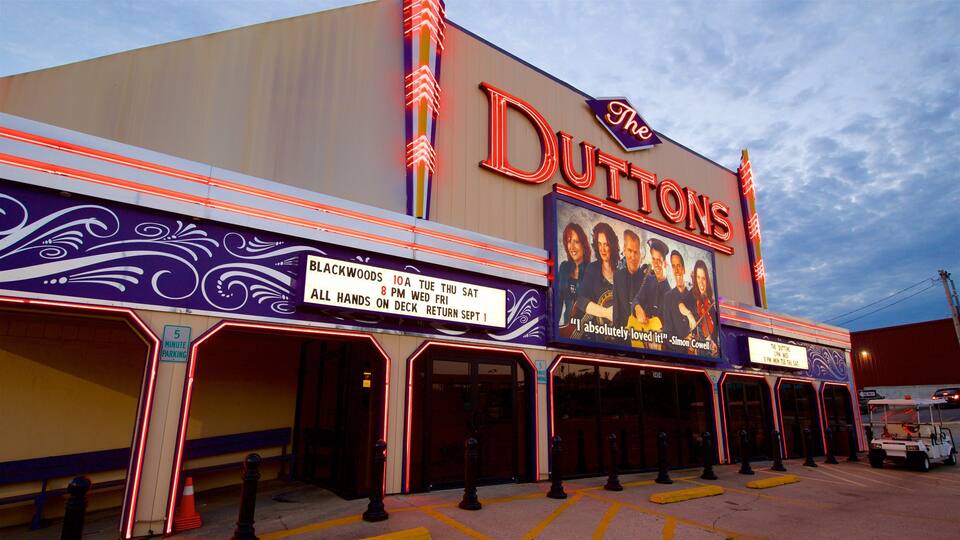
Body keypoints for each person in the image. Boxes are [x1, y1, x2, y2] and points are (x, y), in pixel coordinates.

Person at [576, 222, 618, 324]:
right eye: (599, 244)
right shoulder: (592, 269)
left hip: (619, 332)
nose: (602, 249)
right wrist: (606, 313)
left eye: (606, 244)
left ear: (612, 245)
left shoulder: (621, 272)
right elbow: (581, 300)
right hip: (595, 331)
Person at [630, 238, 670, 327]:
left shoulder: (670, 294)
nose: (655, 264)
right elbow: (636, 300)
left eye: (659, 260)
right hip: (641, 332)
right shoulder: (649, 280)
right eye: (653, 259)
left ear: (665, 263)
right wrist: (637, 308)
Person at [612, 229, 648, 327]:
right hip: (622, 334)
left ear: (640, 255)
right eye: (629, 250)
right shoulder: (617, 277)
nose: (633, 256)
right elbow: (616, 313)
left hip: (642, 334)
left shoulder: (648, 279)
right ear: (624, 250)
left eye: (636, 252)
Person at [662, 250, 697, 351]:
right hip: (674, 354)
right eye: (673, 266)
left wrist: (695, 341)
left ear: (684, 269)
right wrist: (683, 342)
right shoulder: (668, 297)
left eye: (679, 266)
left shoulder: (693, 297)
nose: (676, 270)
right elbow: (667, 334)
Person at [557, 222, 590, 325]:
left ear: (583, 245)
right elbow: (558, 301)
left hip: (587, 329)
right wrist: (554, 329)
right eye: (569, 241)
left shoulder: (591, 270)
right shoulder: (564, 267)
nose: (572, 247)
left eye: (576, 242)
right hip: (567, 328)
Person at [690, 260, 719, 355]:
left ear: (707, 280)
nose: (701, 283)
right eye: (698, 277)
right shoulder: (692, 297)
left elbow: (714, 330)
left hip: (711, 349)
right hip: (700, 350)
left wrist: (712, 341)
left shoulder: (711, 303)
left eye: (703, 278)